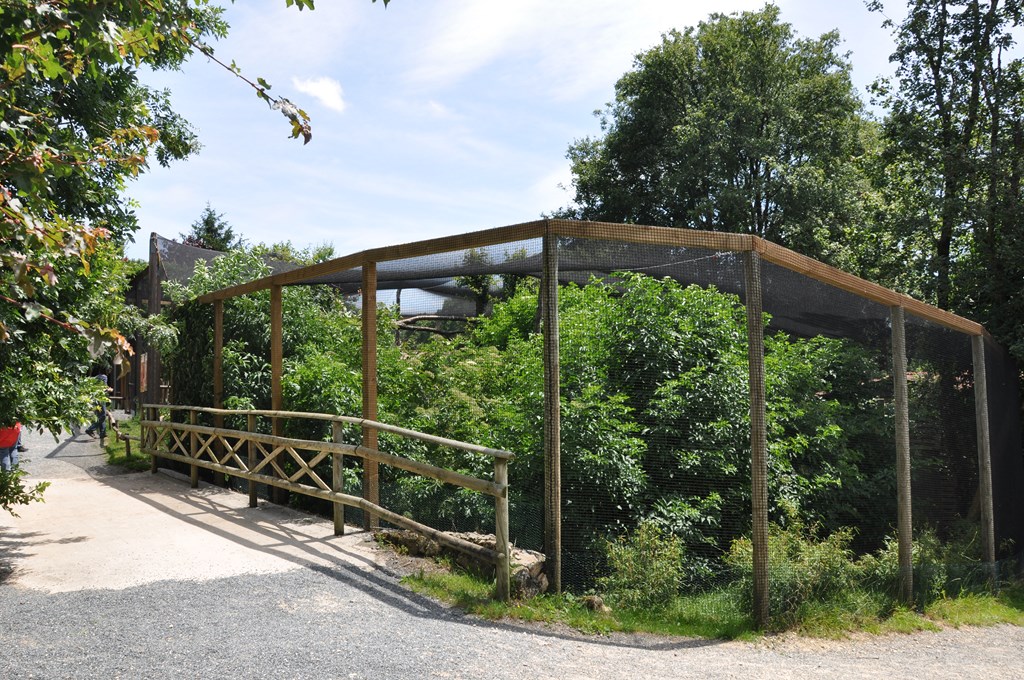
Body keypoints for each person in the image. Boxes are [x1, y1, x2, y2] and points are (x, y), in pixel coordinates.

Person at [84, 373, 110, 440]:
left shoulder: (94, 378)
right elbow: (103, 388)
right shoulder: (104, 377)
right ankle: (90, 429)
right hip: (101, 398)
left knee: (100, 415)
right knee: (103, 416)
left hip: (95, 398)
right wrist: (109, 389)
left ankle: (102, 433)